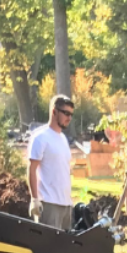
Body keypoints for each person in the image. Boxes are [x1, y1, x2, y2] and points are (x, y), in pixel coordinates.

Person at [28, 95, 75, 229]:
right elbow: (31, 169)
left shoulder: (64, 139)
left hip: (66, 205)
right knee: (48, 249)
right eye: (66, 113)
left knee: (64, 249)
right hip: (49, 204)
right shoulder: (40, 137)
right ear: (54, 112)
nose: (69, 118)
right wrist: (34, 199)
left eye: (71, 114)